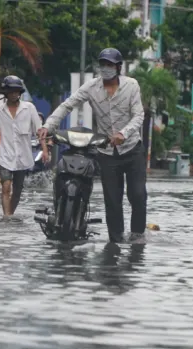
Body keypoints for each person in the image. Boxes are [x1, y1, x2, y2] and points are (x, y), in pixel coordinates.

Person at [37, 48, 147, 246]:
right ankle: (116, 240)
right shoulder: (91, 87)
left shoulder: (132, 86)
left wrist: (124, 133)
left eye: (110, 65)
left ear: (118, 67)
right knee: (112, 200)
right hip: (106, 151)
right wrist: (48, 126)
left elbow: (139, 115)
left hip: (132, 149)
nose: (106, 69)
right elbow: (67, 105)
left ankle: (137, 236)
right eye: (103, 64)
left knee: (137, 194)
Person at [0, 75, 49, 219]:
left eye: (17, 91)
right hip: (5, 155)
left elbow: (39, 130)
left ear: (20, 92)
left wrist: (44, 150)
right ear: (6, 93)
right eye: (11, 91)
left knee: (17, 190)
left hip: (23, 156)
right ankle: (7, 218)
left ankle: (10, 215)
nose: (14, 94)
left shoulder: (29, 108)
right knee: (6, 186)